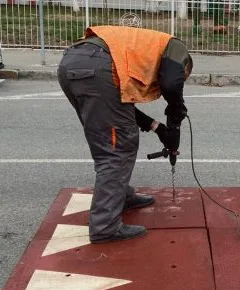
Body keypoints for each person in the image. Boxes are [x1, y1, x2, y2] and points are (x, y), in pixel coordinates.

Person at [58, 26, 192, 243]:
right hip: (98, 67)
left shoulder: (139, 52)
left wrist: (158, 127)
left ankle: (121, 197)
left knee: (106, 138)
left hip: (74, 62)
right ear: (186, 66)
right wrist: (177, 113)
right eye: (184, 76)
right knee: (117, 149)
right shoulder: (176, 48)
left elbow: (122, 108)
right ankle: (105, 227)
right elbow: (171, 83)